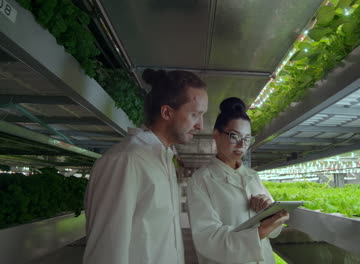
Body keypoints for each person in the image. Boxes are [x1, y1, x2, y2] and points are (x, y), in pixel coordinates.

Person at [83, 69, 208, 264]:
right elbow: (105, 251)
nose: (201, 125)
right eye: (195, 115)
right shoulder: (125, 161)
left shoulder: (163, 159)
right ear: (166, 112)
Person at [187, 97, 289, 264]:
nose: (242, 145)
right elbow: (207, 240)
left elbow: (274, 232)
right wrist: (259, 232)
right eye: (235, 136)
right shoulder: (201, 181)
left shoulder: (253, 176)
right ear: (216, 134)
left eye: (247, 138)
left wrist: (269, 214)